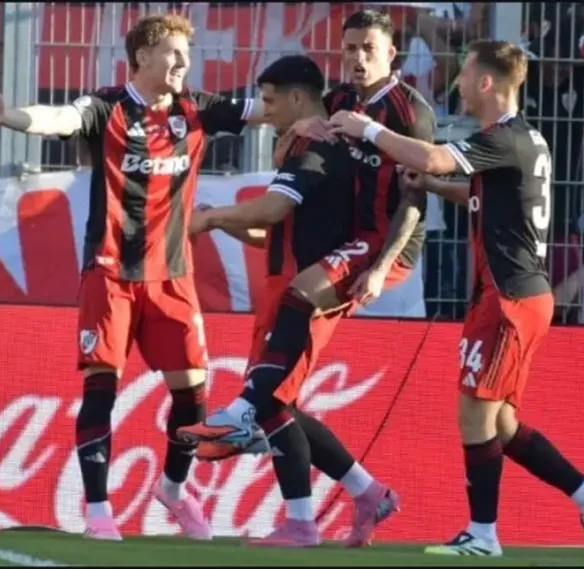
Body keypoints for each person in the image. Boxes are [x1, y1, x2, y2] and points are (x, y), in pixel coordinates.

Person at [325, 39, 584, 559]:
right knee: (500, 420)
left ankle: (483, 533)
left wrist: (367, 127)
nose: (457, 83)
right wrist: (436, 188)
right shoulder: (521, 139)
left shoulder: (505, 137)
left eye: (464, 75)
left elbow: (436, 155)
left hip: (509, 298)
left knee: (474, 415)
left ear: (486, 82)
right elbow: (484, 194)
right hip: (516, 296)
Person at [0, 13, 265, 541]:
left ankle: (173, 491)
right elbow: (60, 119)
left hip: (172, 275)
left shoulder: (196, 108)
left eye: (186, 55)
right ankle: (99, 511)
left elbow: (268, 109)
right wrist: (10, 116)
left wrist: (324, 115)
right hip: (110, 272)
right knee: (102, 389)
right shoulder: (107, 106)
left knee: (194, 395)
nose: (183, 63)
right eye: (174, 54)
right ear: (142, 58)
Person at [186, 54, 402, 549]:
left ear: (298, 99)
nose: (265, 111)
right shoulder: (303, 144)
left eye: (269, 100)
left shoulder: (315, 146)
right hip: (281, 285)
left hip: (303, 291)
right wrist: (218, 220)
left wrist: (212, 217)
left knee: (269, 401)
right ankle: (367, 493)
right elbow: (273, 229)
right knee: (279, 405)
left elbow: (278, 208)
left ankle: (302, 523)